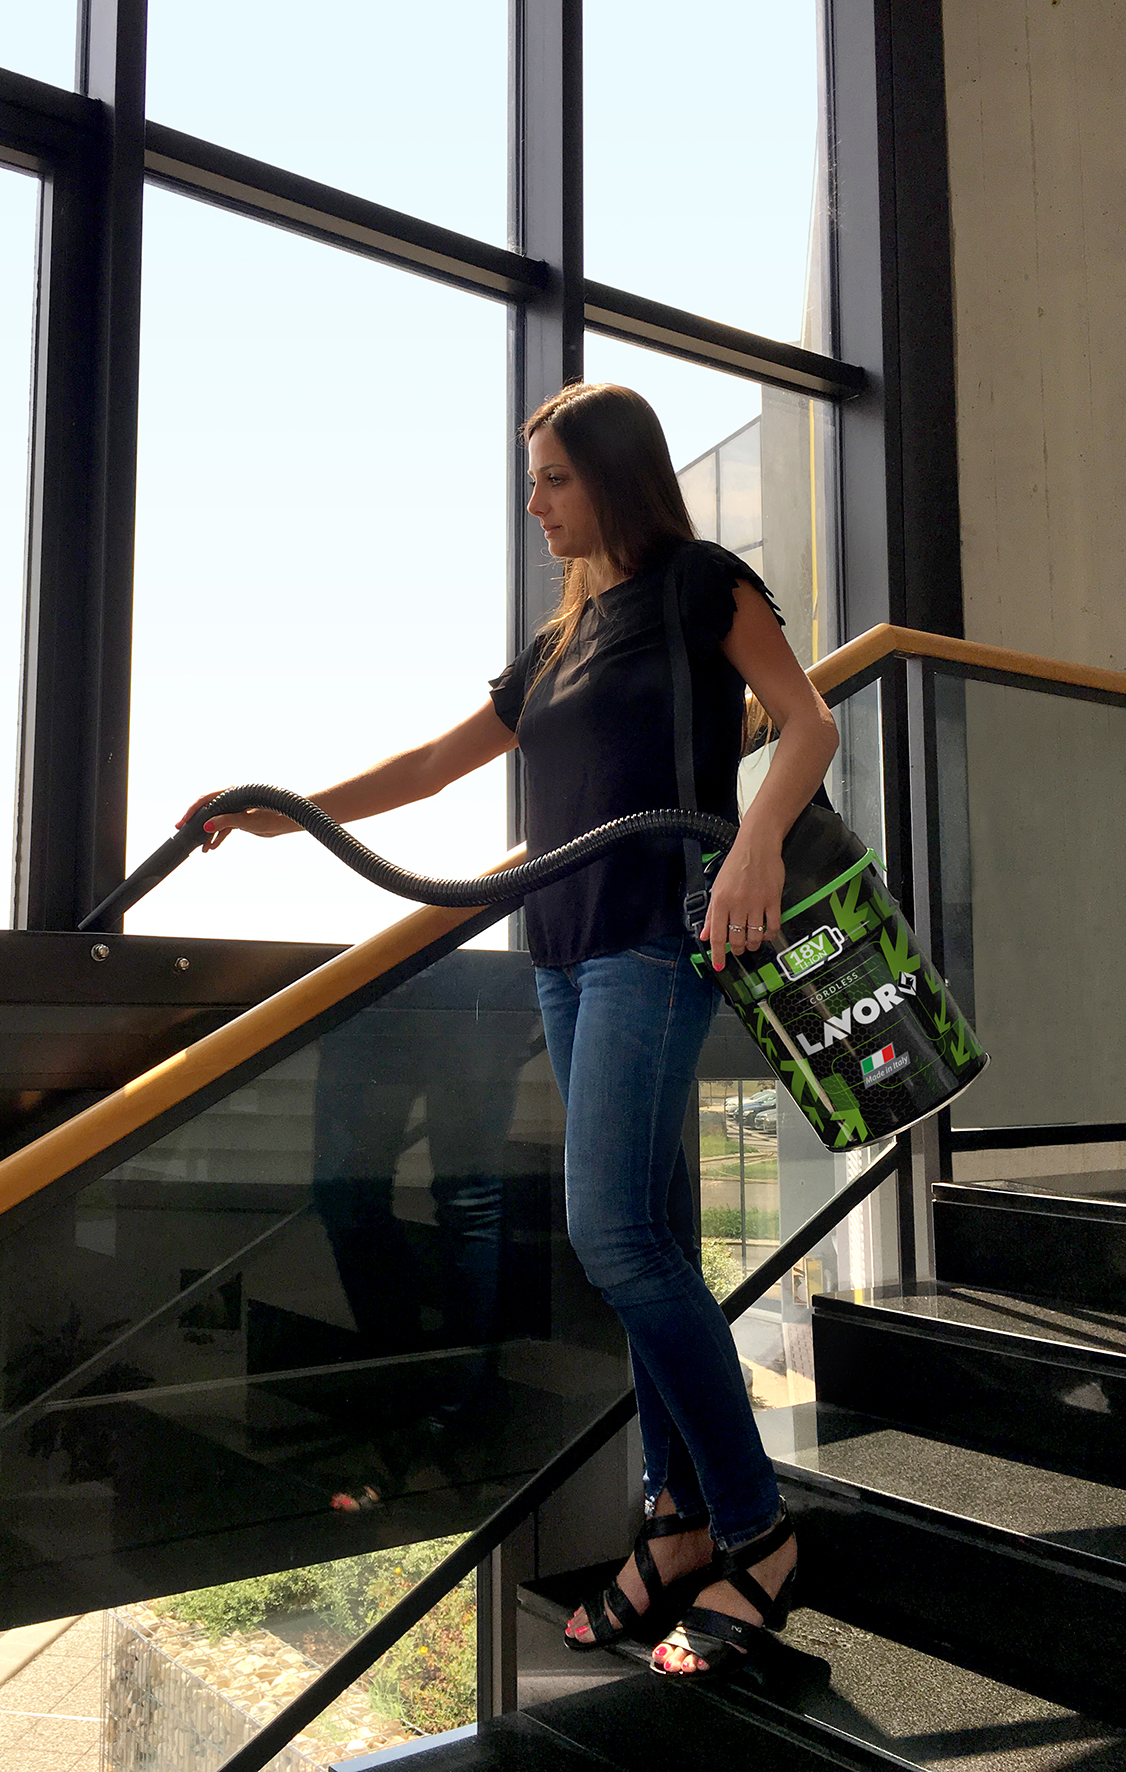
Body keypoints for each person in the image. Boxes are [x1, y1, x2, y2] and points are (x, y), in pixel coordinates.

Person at [178, 381, 839, 1681]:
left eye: (552, 478)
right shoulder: (556, 643)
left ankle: (757, 1534)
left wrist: (756, 842)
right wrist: (282, 812)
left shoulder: (701, 586)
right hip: (560, 956)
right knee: (647, 1241)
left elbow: (806, 721)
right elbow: (434, 767)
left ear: (613, 475)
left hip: (655, 940)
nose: (532, 503)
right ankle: (674, 1520)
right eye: (531, 479)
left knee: (616, 1241)